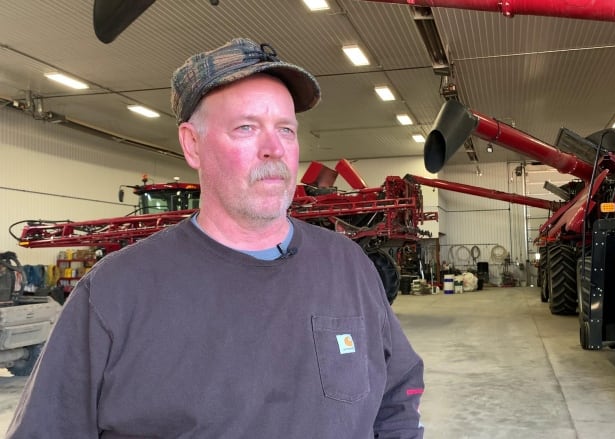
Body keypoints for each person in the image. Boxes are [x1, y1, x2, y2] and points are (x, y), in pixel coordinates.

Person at [6, 38, 425, 438]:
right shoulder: (116, 292)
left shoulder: (347, 265)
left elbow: (399, 392)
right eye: (246, 127)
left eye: (286, 129)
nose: (274, 149)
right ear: (192, 145)